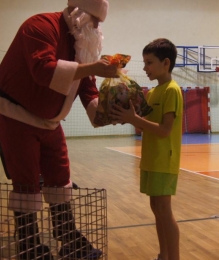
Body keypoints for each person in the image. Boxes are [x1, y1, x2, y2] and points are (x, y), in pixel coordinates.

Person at [0, 0, 118, 259]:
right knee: (27, 184)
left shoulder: (82, 45)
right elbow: (44, 71)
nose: (98, 27)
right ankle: (29, 245)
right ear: (79, 13)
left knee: (60, 177)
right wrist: (96, 67)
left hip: (50, 122)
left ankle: (68, 236)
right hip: (16, 116)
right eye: (96, 20)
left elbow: (88, 89)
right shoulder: (40, 25)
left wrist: (114, 113)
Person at [110, 38, 183, 260]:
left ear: (166, 63)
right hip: (150, 159)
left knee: (164, 210)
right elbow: (145, 125)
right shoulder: (152, 93)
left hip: (164, 160)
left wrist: (134, 119)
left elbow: (164, 130)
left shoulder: (172, 90)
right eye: (144, 62)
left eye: (149, 62)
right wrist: (125, 116)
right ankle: (164, 255)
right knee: (156, 209)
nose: (145, 68)